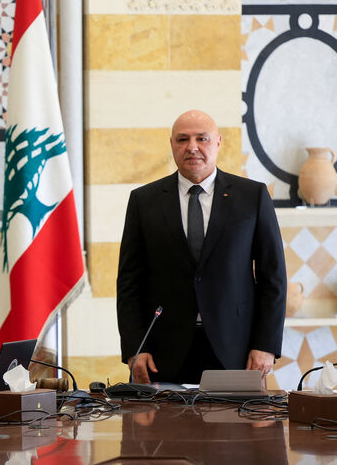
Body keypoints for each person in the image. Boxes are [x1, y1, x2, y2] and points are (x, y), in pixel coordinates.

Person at [116, 109, 287, 384]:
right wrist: (136, 347)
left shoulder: (252, 196)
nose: (192, 147)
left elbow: (273, 277)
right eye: (182, 139)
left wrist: (266, 344)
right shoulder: (143, 201)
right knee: (163, 428)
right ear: (172, 144)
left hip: (238, 351)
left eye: (201, 138)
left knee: (236, 427)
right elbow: (129, 283)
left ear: (218, 142)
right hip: (162, 353)